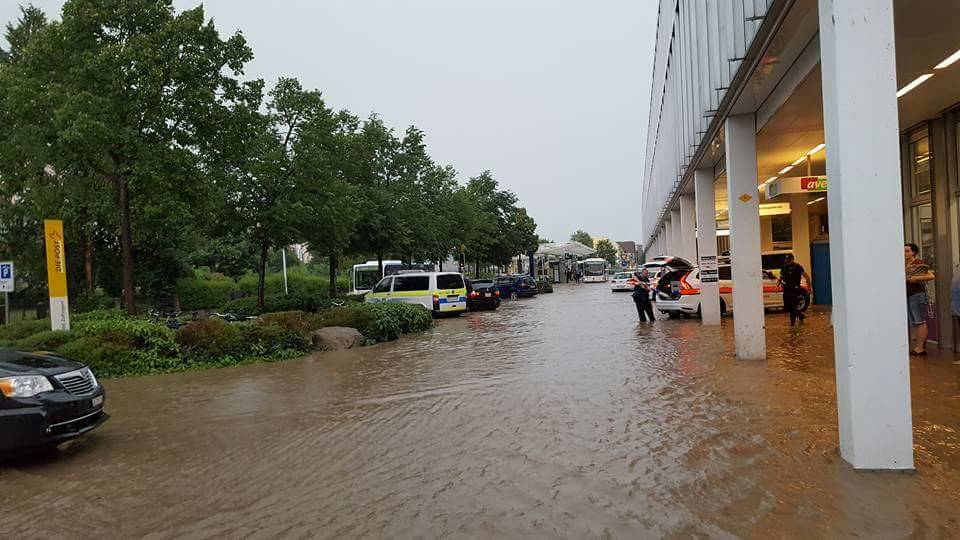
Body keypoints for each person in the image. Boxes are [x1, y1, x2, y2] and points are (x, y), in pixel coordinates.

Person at [905, 243, 935, 356]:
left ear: (913, 252)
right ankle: (918, 346)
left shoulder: (918, 263)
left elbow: (931, 276)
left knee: (920, 321)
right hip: (909, 295)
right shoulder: (905, 264)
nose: (905, 253)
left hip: (917, 295)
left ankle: (920, 348)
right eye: (904, 251)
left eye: (907, 251)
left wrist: (913, 278)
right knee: (915, 322)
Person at [777, 254, 811, 326]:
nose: (787, 261)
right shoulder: (784, 267)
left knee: (793, 307)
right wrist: (777, 284)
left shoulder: (797, 267)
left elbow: (807, 276)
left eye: (789, 260)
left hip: (794, 290)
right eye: (786, 260)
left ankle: (792, 325)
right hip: (786, 289)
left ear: (792, 259)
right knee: (787, 307)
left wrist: (809, 288)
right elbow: (781, 277)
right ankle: (801, 315)